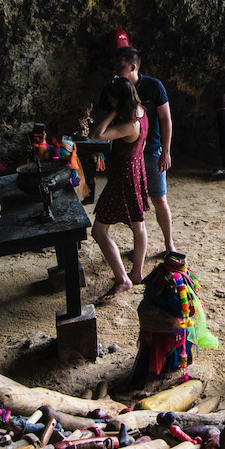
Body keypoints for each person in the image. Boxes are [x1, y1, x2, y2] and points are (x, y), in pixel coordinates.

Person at [94, 45, 176, 258]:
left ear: (132, 67)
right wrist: (101, 152)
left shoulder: (153, 86)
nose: (115, 70)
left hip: (151, 153)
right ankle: (141, 249)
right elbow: (102, 124)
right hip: (128, 156)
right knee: (135, 207)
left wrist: (165, 152)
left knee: (159, 200)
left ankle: (169, 245)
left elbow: (166, 119)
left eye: (120, 66)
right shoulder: (113, 89)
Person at [90, 77, 149, 304]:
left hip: (123, 178)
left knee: (99, 231)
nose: (110, 103)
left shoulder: (128, 124)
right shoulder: (142, 111)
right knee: (138, 224)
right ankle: (136, 272)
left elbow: (95, 134)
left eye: (113, 100)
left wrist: (113, 112)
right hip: (136, 170)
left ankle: (123, 278)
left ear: (119, 101)